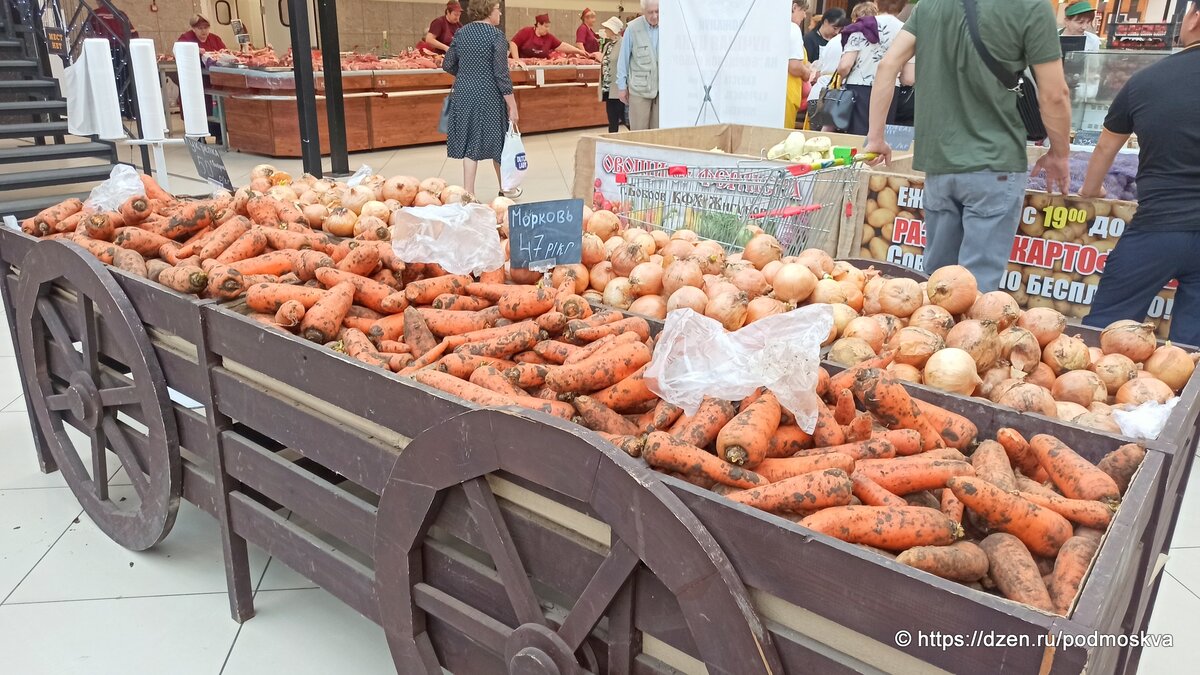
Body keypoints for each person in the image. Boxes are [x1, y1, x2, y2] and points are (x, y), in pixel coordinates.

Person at [863, 0, 1073, 294]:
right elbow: (1055, 94)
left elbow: (887, 65)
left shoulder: (930, 5)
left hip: (939, 165)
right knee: (976, 291)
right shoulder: (1031, 6)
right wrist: (1060, 154)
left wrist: (876, 136)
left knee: (937, 284)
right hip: (995, 164)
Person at [1079, 2, 1200, 344]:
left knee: (1104, 333)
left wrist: (1091, 191)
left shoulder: (1146, 80)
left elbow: (1105, 148)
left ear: (1195, 18)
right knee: (1192, 352)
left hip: (1157, 228)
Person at [444, 1, 521, 199]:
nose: (500, 13)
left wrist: (467, 74)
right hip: (489, 95)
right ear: (488, 11)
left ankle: (468, 193)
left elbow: (448, 63)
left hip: (463, 94)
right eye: (498, 9)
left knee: (471, 141)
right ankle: (506, 188)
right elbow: (501, 75)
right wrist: (512, 106)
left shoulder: (461, 33)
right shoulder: (496, 36)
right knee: (499, 142)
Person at [836, 0, 913, 135]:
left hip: (858, 89)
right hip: (890, 90)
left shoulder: (862, 26)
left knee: (856, 138)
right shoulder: (908, 32)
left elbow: (844, 66)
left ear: (876, 2)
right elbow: (909, 78)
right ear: (903, 6)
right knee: (880, 137)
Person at [617, 0, 661, 130]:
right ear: (643, 12)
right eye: (650, 12)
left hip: (661, 91)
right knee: (639, 133)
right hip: (639, 90)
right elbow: (623, 59)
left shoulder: (669, 26)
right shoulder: (632, 28)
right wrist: (621, 87)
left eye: (657, 11)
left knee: (659, 134)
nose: (654, 16)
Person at [510, 15, 598, 60]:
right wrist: (517, 60)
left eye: (549, 26)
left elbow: (562, 45)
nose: (548, 29)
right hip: (521, 67)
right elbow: (513, 43)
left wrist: (579, 51)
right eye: (546, 26)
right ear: (538, 25)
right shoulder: (526, 32)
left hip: (539, 66)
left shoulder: (549, 37)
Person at [786, 1, 813, 129]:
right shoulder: (792, 28)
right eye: (803, 11)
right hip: (787, 95)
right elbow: (794, 67)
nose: (804, 16)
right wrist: (807, 72)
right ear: (794, 7)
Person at [598, 17, 626, 133]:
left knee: (626, 120)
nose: (605, 30)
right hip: (609, 90)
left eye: (607, 28)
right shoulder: (607, 46)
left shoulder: (624, 43)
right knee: (612, 121)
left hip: (619, 89)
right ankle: (612, 146)